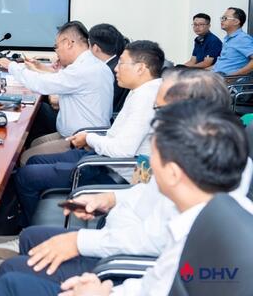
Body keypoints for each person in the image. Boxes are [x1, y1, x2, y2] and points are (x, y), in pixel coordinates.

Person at [0, 70, 243, 294]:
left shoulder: (200, 189)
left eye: (160, 110)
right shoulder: (200, 163)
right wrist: (110, 199)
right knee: (31, 240)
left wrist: (91, 264)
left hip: (122, 258)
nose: (154, 118)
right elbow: (159, 278)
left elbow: (155, 254)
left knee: (13, 275)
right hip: (119, 246)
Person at [55, 101, 252, 296]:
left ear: (173, 173)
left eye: (154, 157)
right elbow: (156, 283)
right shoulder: (214, 217)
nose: (149, 166)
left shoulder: (197, 234)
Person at [13, 41, 164, 225]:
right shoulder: (144, 90)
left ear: (141, 68)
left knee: (25, 176)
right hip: (103, 158)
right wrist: (91, 139)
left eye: (122, 63)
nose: (116, 68)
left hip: (113, 172)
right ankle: (28, 220)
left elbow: (122, 151)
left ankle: (25, 230)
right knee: (34, 161)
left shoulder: (146, 99)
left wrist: (89, 138)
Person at [0, 21, 113, 143]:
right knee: (34, 143)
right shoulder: (92, 64)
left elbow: (41, 84)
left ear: (68, 44)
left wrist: (11, 66)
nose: (56, 52)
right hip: (82, 135)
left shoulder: (82, 70)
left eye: (56, 47)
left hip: (81, 141)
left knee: (27, 156)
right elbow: (60, 80)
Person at [88, 23, 129, 114]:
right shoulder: (114, 64)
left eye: (89, 45)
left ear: (95, 48)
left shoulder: (109, 72)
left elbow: (99, 104)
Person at [213, 7, 253, 76]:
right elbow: (223, 64)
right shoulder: (228, 39)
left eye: (225, 18)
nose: (222, 20)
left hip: (230, 82)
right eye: (222, 18)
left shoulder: (243, 38)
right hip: (217, 77)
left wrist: (233, 75)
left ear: (236, 22)